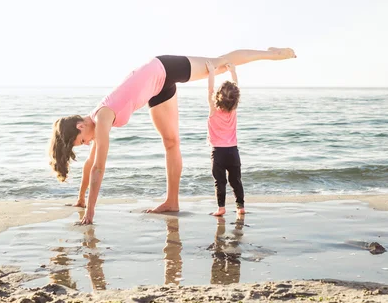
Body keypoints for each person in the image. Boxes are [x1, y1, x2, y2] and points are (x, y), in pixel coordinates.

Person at [48, 48, 296, 224]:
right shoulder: (97, 119)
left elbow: (98, 168)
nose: (87, 143)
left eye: (82, 141)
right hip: (155, 92)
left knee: (219, 63)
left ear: (80, 126)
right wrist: (81, 200)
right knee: (171, 142)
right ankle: (172, 201)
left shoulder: (101, 117)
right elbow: (91, 163)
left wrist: (90, 212)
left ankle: (271, 54)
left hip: (163, 67)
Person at [206, 61, 245, 216]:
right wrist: (233, 72)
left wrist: (211, 72)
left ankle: (221, 208)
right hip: (233, 152)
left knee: (220, 182)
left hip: (218, 153)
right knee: (236, 181)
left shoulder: (213, 108)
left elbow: (209, 89)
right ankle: (240, 207)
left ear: (218, 96)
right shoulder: (233, 109)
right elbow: (237, 89)